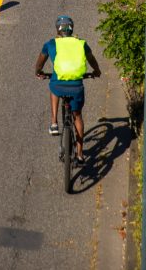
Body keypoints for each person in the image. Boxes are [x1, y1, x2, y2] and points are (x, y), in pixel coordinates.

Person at [35, 14, 101, 164]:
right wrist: (96, 71)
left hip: (58, 85)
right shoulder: (81, 43)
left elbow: (39, 64)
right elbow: (92, 60)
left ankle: (54, 123)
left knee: (53, 85)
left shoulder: (51, 44)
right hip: (77, 87)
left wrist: (38, 72)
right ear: (72, 30)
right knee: (77, 116)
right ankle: (79, 154)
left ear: (58, 30)